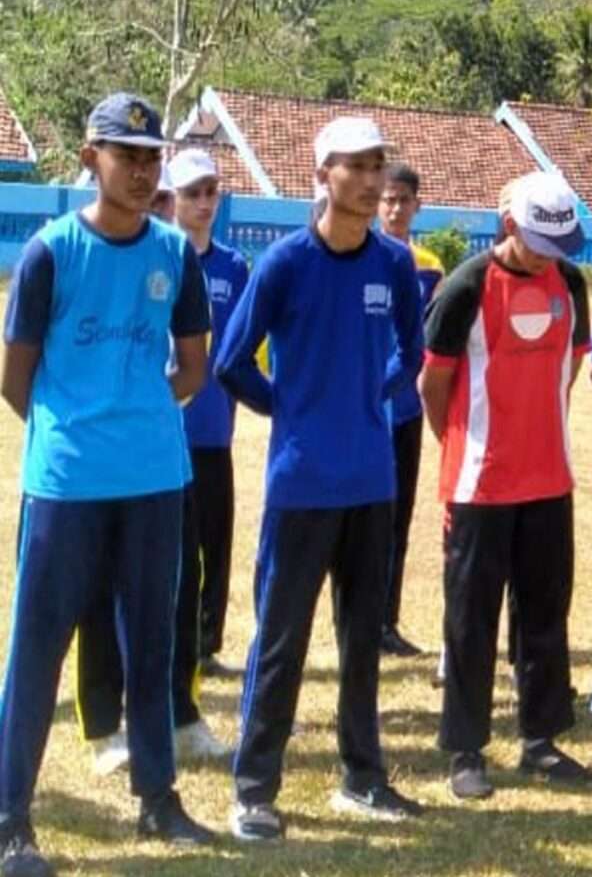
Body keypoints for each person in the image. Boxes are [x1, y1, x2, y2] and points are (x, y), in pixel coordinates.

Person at [0, 94, 219, 875]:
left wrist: (137, 421)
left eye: (151, 156)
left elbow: (192, 363)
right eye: (125, 155)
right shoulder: (51, 252)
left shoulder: (173, 253)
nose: (141, 169)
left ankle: (159, 802)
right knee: (39, 648)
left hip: (156, 479)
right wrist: (79, 430)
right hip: (66, 485)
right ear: (91, 158)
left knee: (155, 643)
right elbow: (15, 377)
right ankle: (10, 819)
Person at [215, 117, 426, 841]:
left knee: (362, 638)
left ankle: (364, 778)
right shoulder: (284, 264)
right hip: (301, 485)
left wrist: (376, 395)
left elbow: (413, 350)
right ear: (322, 175)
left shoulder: (394, 266)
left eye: (378, 167)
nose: (371, 181)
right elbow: (231, 360)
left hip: (372, 483)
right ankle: (253, 789)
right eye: (356, 167)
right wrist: (292, 410)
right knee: (281, 638)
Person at [423, 173, 592, 799]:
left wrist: (535, 430)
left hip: (548, 480)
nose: (552, 257)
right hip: (478, 486)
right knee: (470, 622)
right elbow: (432, 387)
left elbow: (572, 365)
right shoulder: (466, 286)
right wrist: (466, 446)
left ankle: (540, 739)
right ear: (510, 225)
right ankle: (466, 749)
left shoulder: (570, 283)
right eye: (541, 242)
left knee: (545, 614)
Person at [72, 149, 237, 776]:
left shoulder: (179, 268)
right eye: (164, 197)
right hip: (105, 459)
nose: (169, 209)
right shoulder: (98, 262)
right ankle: (103, 726)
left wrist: (153, 407)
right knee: (100, 586)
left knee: (179, 583)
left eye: (177, 198)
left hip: (171, 457)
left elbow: (197, 365)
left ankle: (182, 714)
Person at [173, 150, 250, 679]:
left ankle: (206, 644)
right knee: (169, 550)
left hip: (214, 430)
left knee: (214, 544)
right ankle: (167, 643)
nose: (204, 203)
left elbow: (243, 343)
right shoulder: (158, 258)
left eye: (211, 192)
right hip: (164, 431)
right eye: (192, 193)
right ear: (173, 199)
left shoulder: (233, 266)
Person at [376, 163, 445, 658]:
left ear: (418, 205)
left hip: (406, 408)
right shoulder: (363, 254)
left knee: (399, 516)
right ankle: (358, 618)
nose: (397, 209)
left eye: (404, 200)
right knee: (364, 517)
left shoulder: (429, 267)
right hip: (363, 408)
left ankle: (387, 620)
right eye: (389, 199)